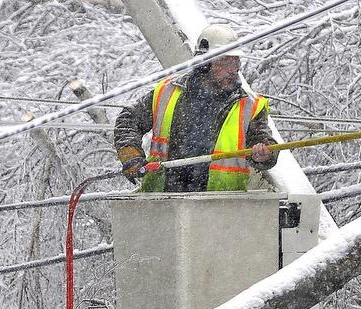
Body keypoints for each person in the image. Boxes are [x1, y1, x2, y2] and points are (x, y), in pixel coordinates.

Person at [113, 24, 276, 192]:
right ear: (203, 63)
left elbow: (262, 141)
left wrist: (264, 154)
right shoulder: (168, 92)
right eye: (225, 61)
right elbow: (128, 119)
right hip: (163, 203)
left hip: (222, 208)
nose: (233, 69)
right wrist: (130, 154)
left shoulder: (250, 106)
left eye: (236, 60)